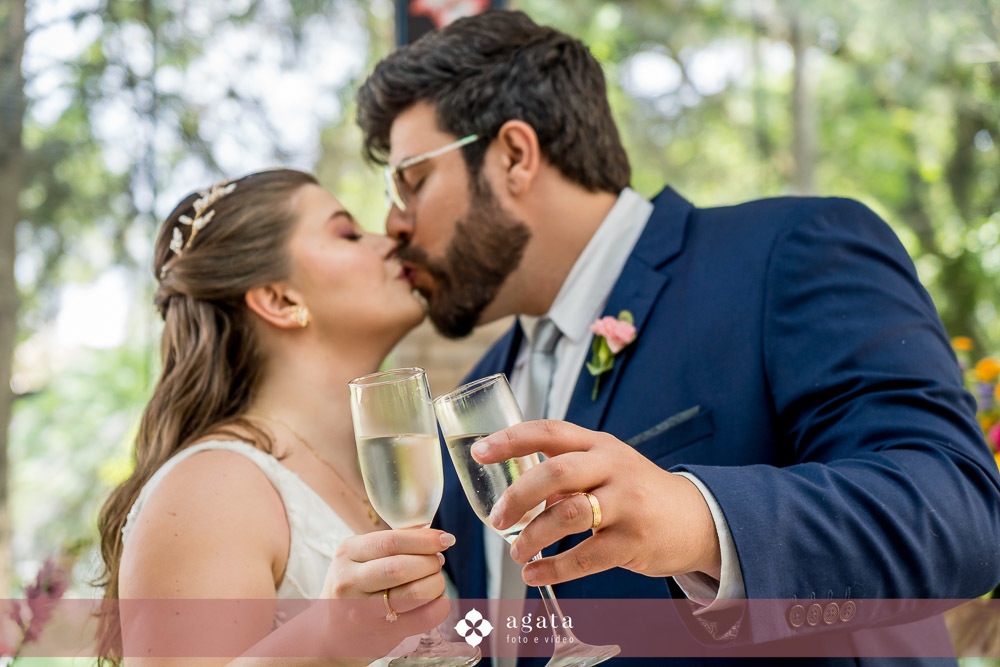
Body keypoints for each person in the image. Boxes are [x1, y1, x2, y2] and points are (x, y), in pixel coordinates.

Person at [356, 9, 1000, 664]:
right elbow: (496, 629)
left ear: (515, 156)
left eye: (411, 182)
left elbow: (960, 512)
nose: (392, 223)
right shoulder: (474, 404)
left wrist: (697, 519)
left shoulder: (787, 252)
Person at [96, 169, 455, 665]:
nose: (390, 239)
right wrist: (323, 640)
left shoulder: (384, 478)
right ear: (281, 300)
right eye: (348, 234)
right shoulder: (212, 490)